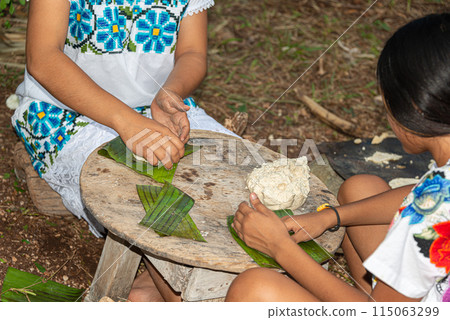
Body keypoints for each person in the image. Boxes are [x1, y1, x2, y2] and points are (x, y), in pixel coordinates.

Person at [226, 13, 450, 302]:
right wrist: (329, 217)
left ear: (415, 109)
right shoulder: (437, 194)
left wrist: (280, 247)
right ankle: (369, 290)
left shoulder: (430, 217)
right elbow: (424, 197)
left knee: (253, 288)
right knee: (360, 189)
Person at [12, 0, 236, 237]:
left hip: (154, 110)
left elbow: (192, 53)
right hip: (66, 114)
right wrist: (126, 121)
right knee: (140, 201)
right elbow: (43, 58)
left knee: (236, 178)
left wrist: (171, 91)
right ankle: (155, 273)